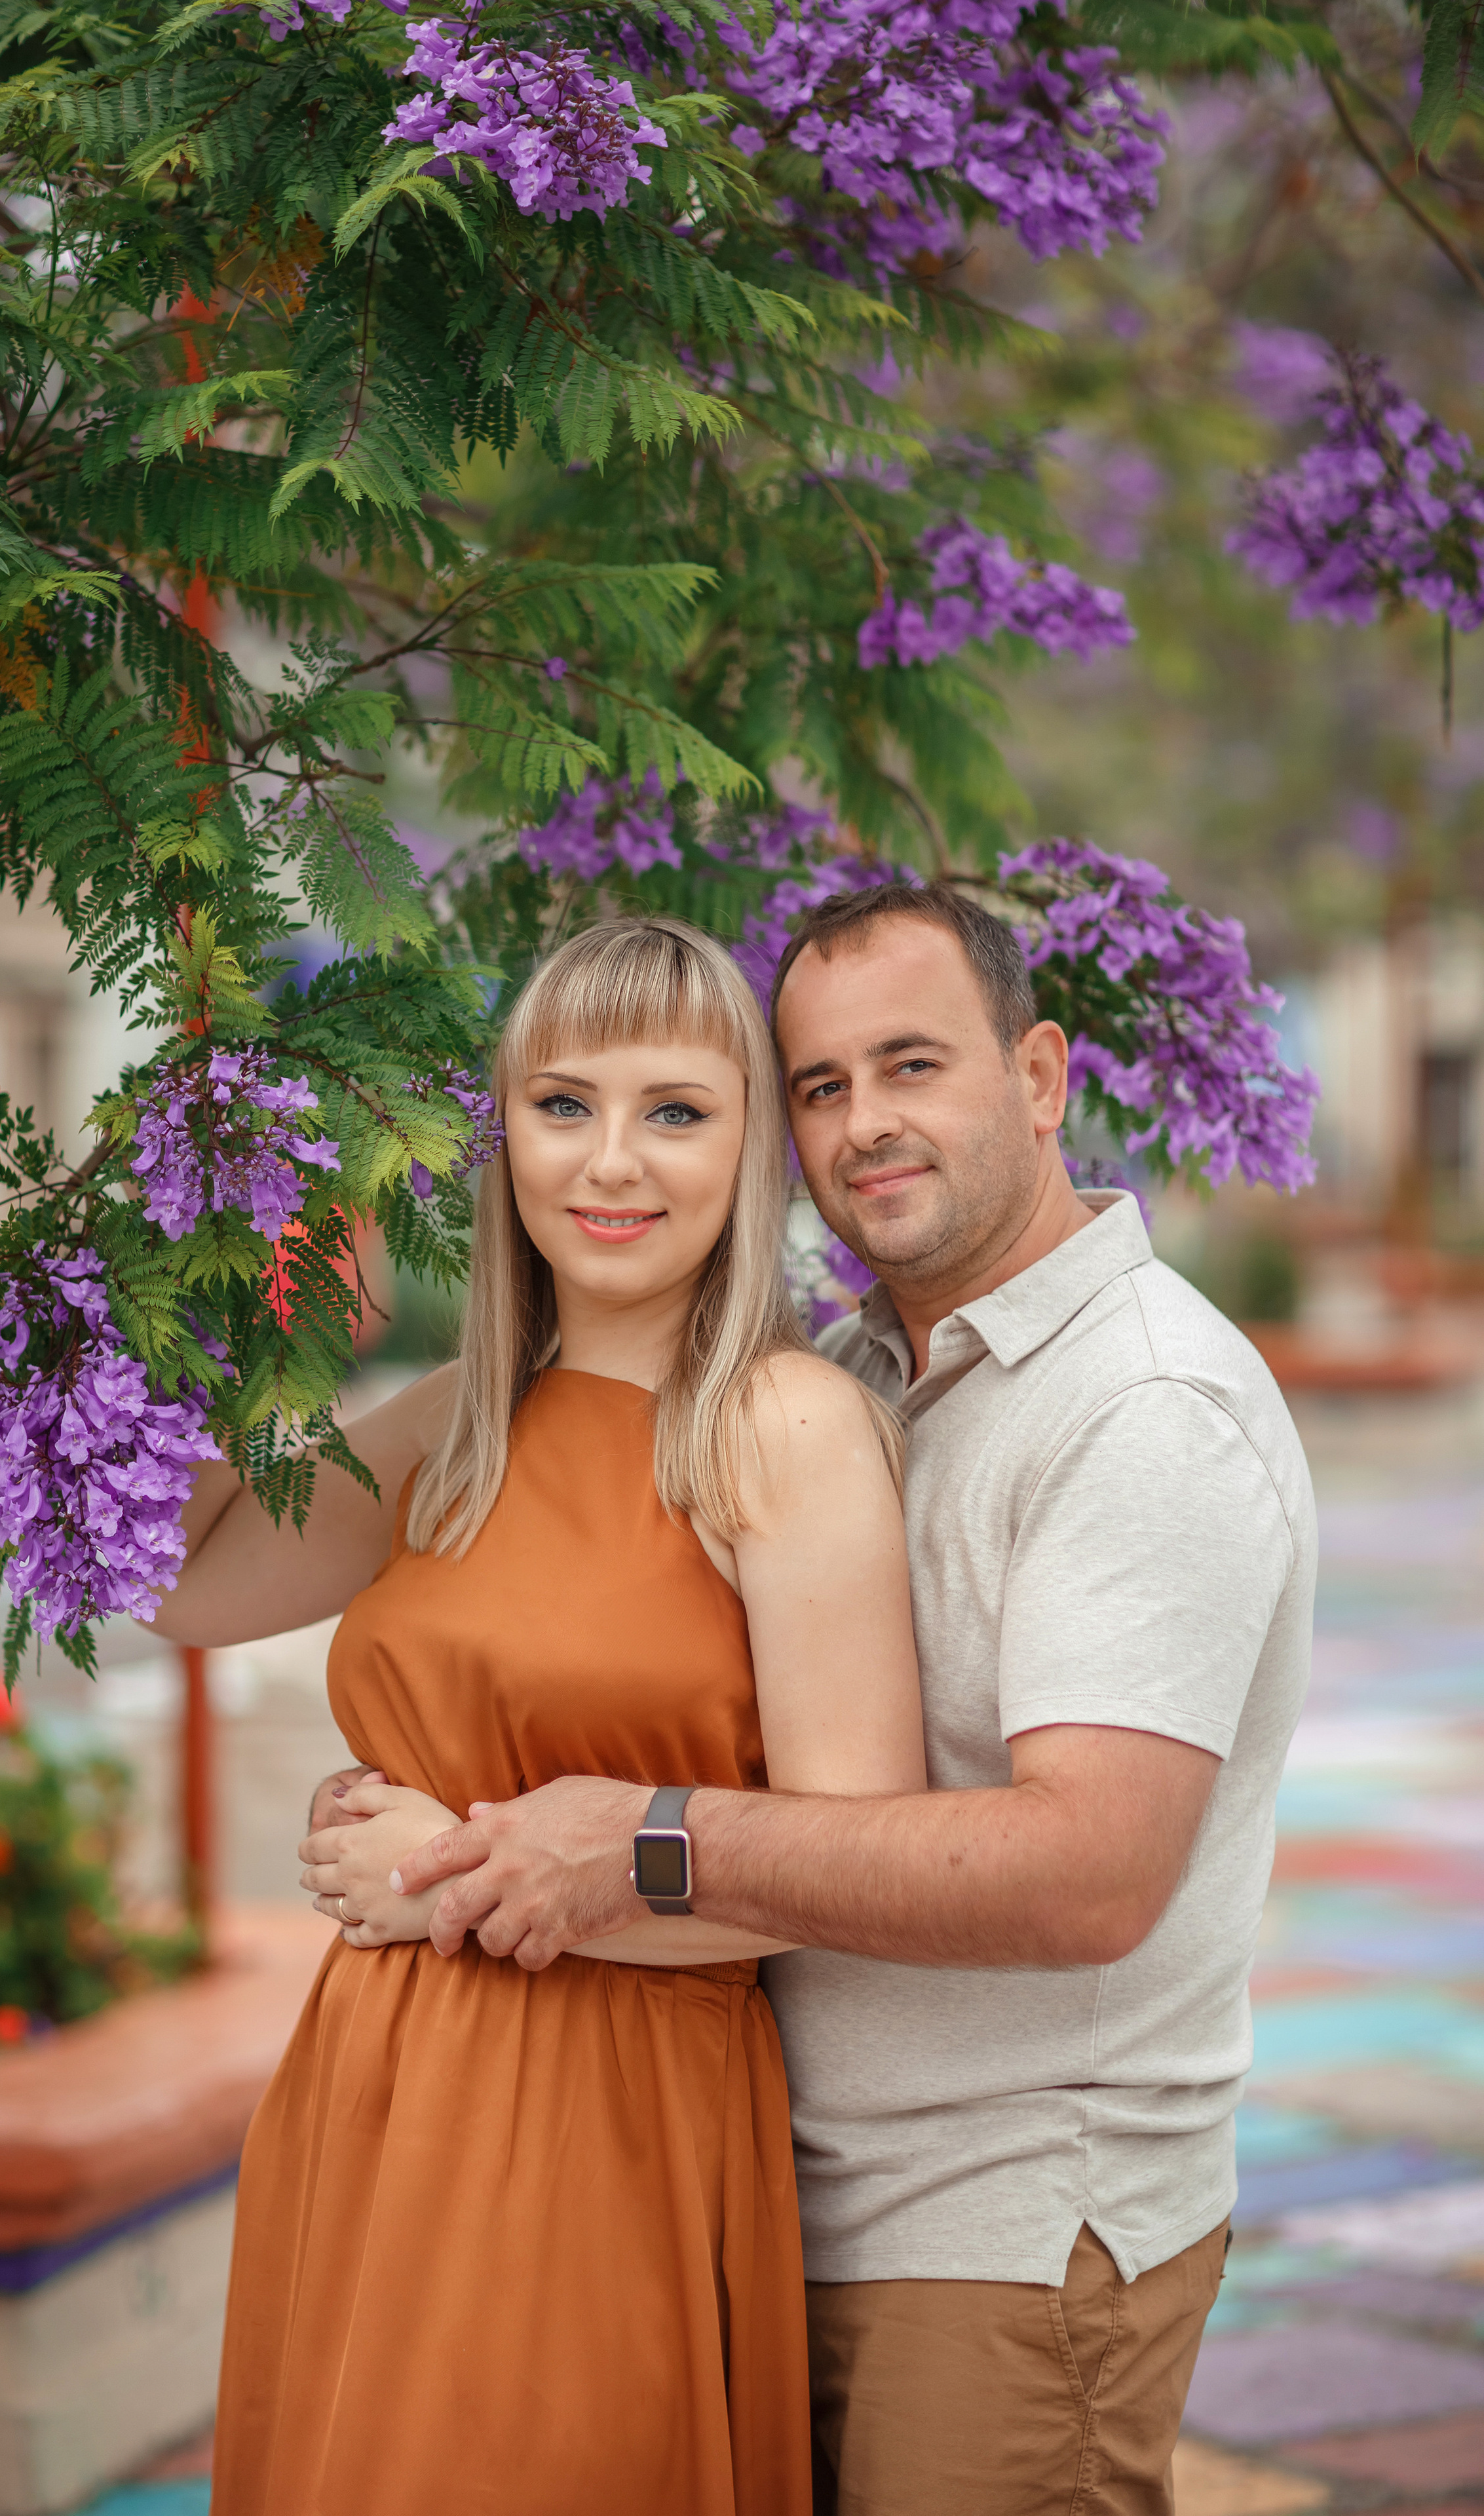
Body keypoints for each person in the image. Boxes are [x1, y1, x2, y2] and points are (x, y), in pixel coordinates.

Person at [362, 883, 1318, 2516]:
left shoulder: (1140, 1407)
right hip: (768, 2192)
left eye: (910, 1065)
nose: (863, 1124)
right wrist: (453, 1830)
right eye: (818, 1086)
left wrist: (641, 1845)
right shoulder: (868, 1370)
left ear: (1037, 1078)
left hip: (1003, 2239)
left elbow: (1086, 1872)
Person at [155, 915, 929, 2516]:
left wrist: (454, 1871)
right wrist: (221, 1264)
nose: (611, 1163)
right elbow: (193, 1589)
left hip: (610, 2121)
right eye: (562, 1103)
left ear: (751, 1147)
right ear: (495, 1132)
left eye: (675, 1110)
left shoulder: (779, 1428)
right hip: (377, 2092)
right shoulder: (462, 1416)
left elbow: (857, 1871)